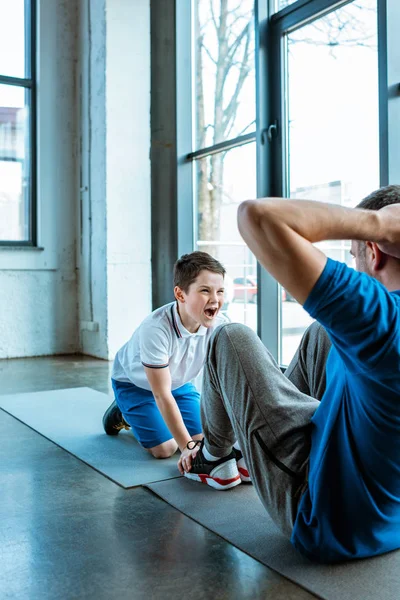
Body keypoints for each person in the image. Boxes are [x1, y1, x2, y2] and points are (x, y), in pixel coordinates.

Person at [180, 185, 400, 564]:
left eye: (354, 255)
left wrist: (376, 223)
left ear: (375, 250)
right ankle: (250, 453)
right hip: (387, 510)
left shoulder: (380, 318)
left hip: (326, 518)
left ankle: (215, 457)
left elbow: (257, 217)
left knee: (231, 338)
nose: (353, 266)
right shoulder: (378, 325)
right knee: (322, 332)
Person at [102, 251, 231, 465]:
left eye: (220, 291)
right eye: (205, 291)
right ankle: (123, 414)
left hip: (179, 385)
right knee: (167, 448)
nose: (215, 300)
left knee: (203, 439)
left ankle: (151, 418)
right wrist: (187, 448)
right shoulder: (155, 328)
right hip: (136, 386)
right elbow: (161, 394)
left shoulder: (220, 325)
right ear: (180, 295)